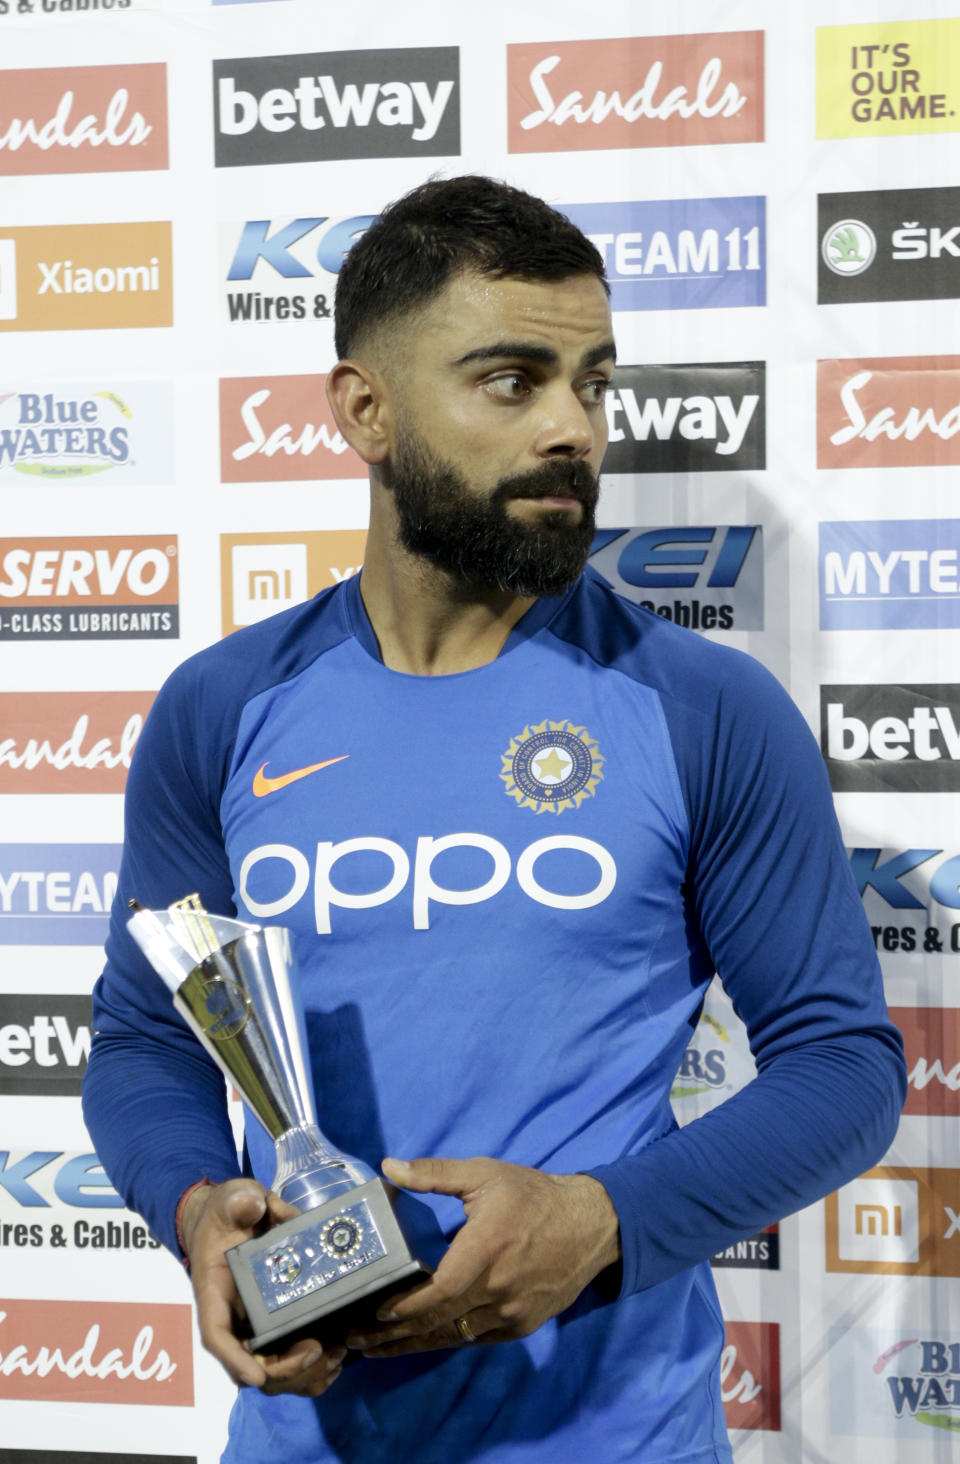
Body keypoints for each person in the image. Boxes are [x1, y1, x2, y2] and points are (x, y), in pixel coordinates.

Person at [82, 175, 906, 1464]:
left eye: (594, 382)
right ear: (366, 408)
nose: (575, 427)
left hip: (616, 1439)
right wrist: (196, 1211)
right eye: (512, 380)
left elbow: (844, 1068)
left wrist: (603, 1220)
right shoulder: (222, 707)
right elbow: (148, 1038)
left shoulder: (704, 707)